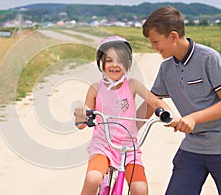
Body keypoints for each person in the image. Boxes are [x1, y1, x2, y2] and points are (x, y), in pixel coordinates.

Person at [74, 36, 173, 195]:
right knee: (92, 178)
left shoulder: (132, 85)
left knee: (140, 189)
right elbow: (82, 122)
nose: (114, 65)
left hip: (129, 148)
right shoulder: (95, 88)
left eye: (120, 60)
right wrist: (80, 115)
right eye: (109, 60)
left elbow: (154, 102)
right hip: (103, 146)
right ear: (101, 63)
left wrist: (168, 114)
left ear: (128, 64)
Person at [142, 6, 221, 195]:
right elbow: (152, 104)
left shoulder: (209, 58)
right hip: (192, 147)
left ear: (173, 36)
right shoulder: (166, 68)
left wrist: (193, 118)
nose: (153, 47)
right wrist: (127, 131)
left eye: (156, 41)